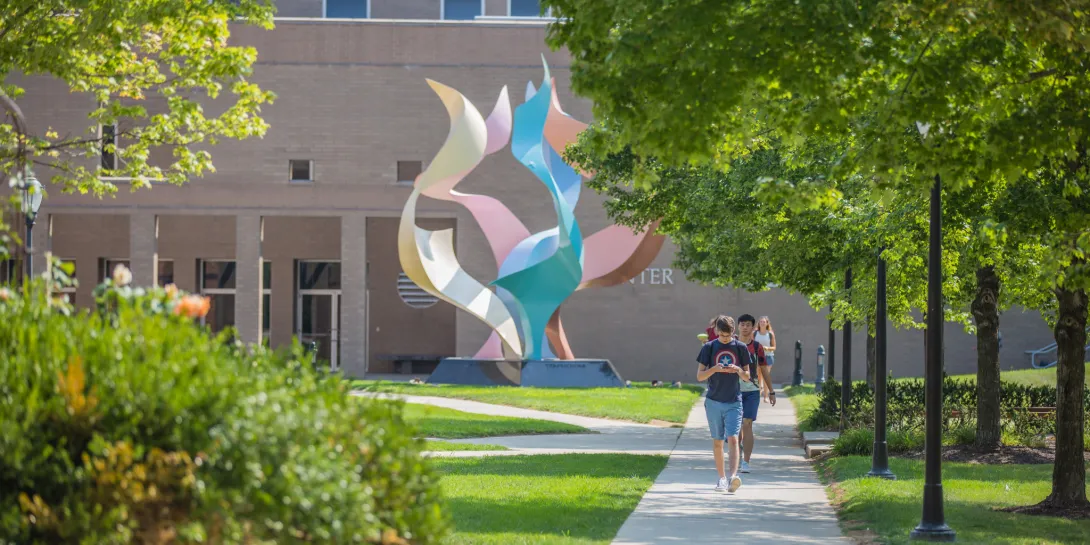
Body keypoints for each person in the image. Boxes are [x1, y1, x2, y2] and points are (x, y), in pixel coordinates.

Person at [696, 315, 751, 493]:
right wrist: (714, 369)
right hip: (713, 401)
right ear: (717, 331)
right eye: (722, 335)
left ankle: (733, 477)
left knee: (733, 438)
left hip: (734, 400)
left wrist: (738, 370)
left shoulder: (741, 348)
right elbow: (700, 376)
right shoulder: (709, 347)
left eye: (728, 335)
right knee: (718, 441)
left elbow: (747, 376)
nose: (726, 339)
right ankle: (721, 479)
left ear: (733, 331)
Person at [736, 314, 774, 473]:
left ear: (753, 328)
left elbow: (764, 369)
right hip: (733, 391)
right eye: (742, 324)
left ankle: (746, 461)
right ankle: (736, 457)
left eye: (748, 325)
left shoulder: (757, 347)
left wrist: (771, 391)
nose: (745, 327)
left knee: (747, 424)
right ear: (738, 326)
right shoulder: (731, 345)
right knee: (736, 428)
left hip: (752, 391)